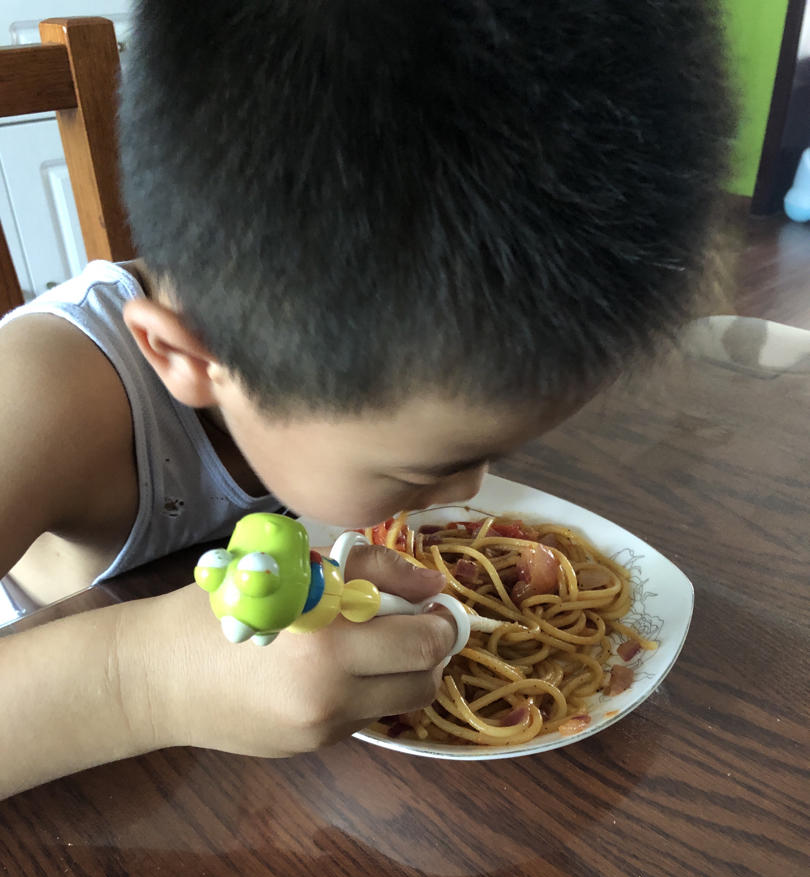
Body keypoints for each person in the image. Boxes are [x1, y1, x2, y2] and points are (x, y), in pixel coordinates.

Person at [0, 0, 730, 798]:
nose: (472, 491)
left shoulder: (360, 350)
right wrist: (141, 683)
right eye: (434, 465)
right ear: (187, 360)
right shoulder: (39, 392)